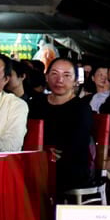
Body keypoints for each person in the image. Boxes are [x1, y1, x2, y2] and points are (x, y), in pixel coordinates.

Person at [26, 58, 94, 193]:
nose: (59, 80)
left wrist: (47, 154)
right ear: (46, 77)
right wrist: (43, 152)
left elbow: (76, 145)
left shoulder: (82, 108)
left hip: (69, 166)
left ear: (76, 81)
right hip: (37, 161)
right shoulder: (35, 104)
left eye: (66, 75)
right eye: (54, 74)